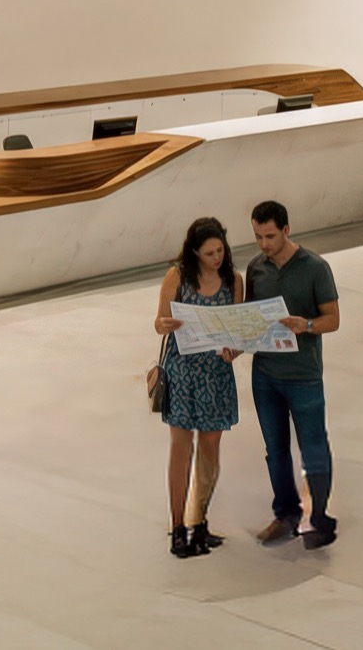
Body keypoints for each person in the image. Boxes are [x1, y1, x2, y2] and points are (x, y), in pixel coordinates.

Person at [245, 200, 342, 550]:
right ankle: (285, 513)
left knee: (313, 447)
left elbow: (333, 318)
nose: (264, 244)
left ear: (286, 230)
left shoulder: (315, 268)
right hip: (265, 375)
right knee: (276, 450)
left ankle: (318, 519)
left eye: (270, 236)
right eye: (258, 237)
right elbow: (251, 319)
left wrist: (308, 325)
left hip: (303, 377)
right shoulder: (256, 269)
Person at [150, 216, 242, 558]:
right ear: (194, 252)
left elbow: (235, 330)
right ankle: (177, 528)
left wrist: (235, 348)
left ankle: (199, 522)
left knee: (209, 451)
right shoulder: (178, 276)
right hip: (183, 371)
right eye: (209, 253)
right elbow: (158, 324)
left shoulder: (233, 280)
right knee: (181, 448)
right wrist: (166, 323)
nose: (216, 257)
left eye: (220, 250)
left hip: (216, 374)